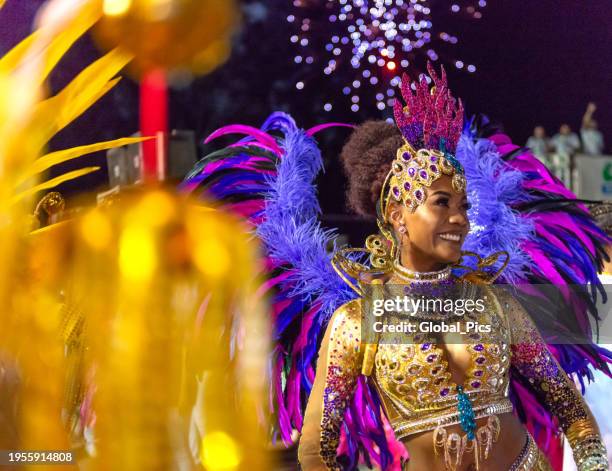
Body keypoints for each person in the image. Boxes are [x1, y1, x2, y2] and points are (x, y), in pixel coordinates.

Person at [184, 66, 611, 471]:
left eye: (463, 205)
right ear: (397, 214)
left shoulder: (496, 305)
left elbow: (570, 407)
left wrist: (593, 462)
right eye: (441, 203)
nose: (460, 219)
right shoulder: (358, 321)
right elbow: (317, 445)